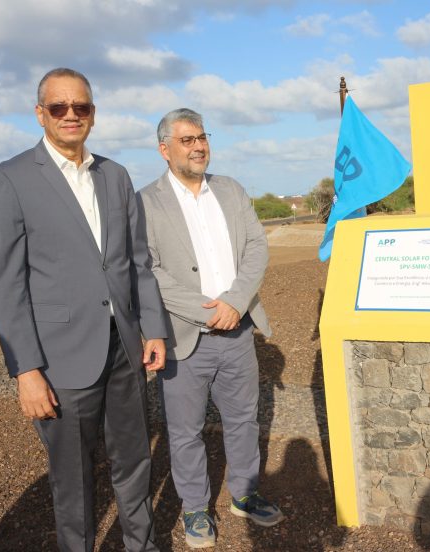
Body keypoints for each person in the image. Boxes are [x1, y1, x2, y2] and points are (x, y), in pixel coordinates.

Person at [0, 67, 167, 552]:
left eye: (80, 106)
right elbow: (6, 286)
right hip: (59, 360)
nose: (70, 115)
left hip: (124, 350)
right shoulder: (9, 180)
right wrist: (26, 371)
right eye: (58, 107)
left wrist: (153, 328)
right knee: (73, 478)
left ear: (93, 114)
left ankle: (141, 545)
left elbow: (137, 262)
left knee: (135, 461)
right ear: (40, 113)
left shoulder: (115, 175)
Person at [138, 108, 283, 548]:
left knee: (243, 420)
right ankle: (195, 508)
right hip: (185, 339)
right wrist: (208, 312)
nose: (198, 146)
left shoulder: (231, 190)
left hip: (238, 332)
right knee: (185, 431)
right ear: (164, 149)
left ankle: (245, 493)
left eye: (202, 137)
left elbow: (256, 247)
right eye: (187, 140)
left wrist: (235, 302)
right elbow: (149, 269)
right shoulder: (145, 202)